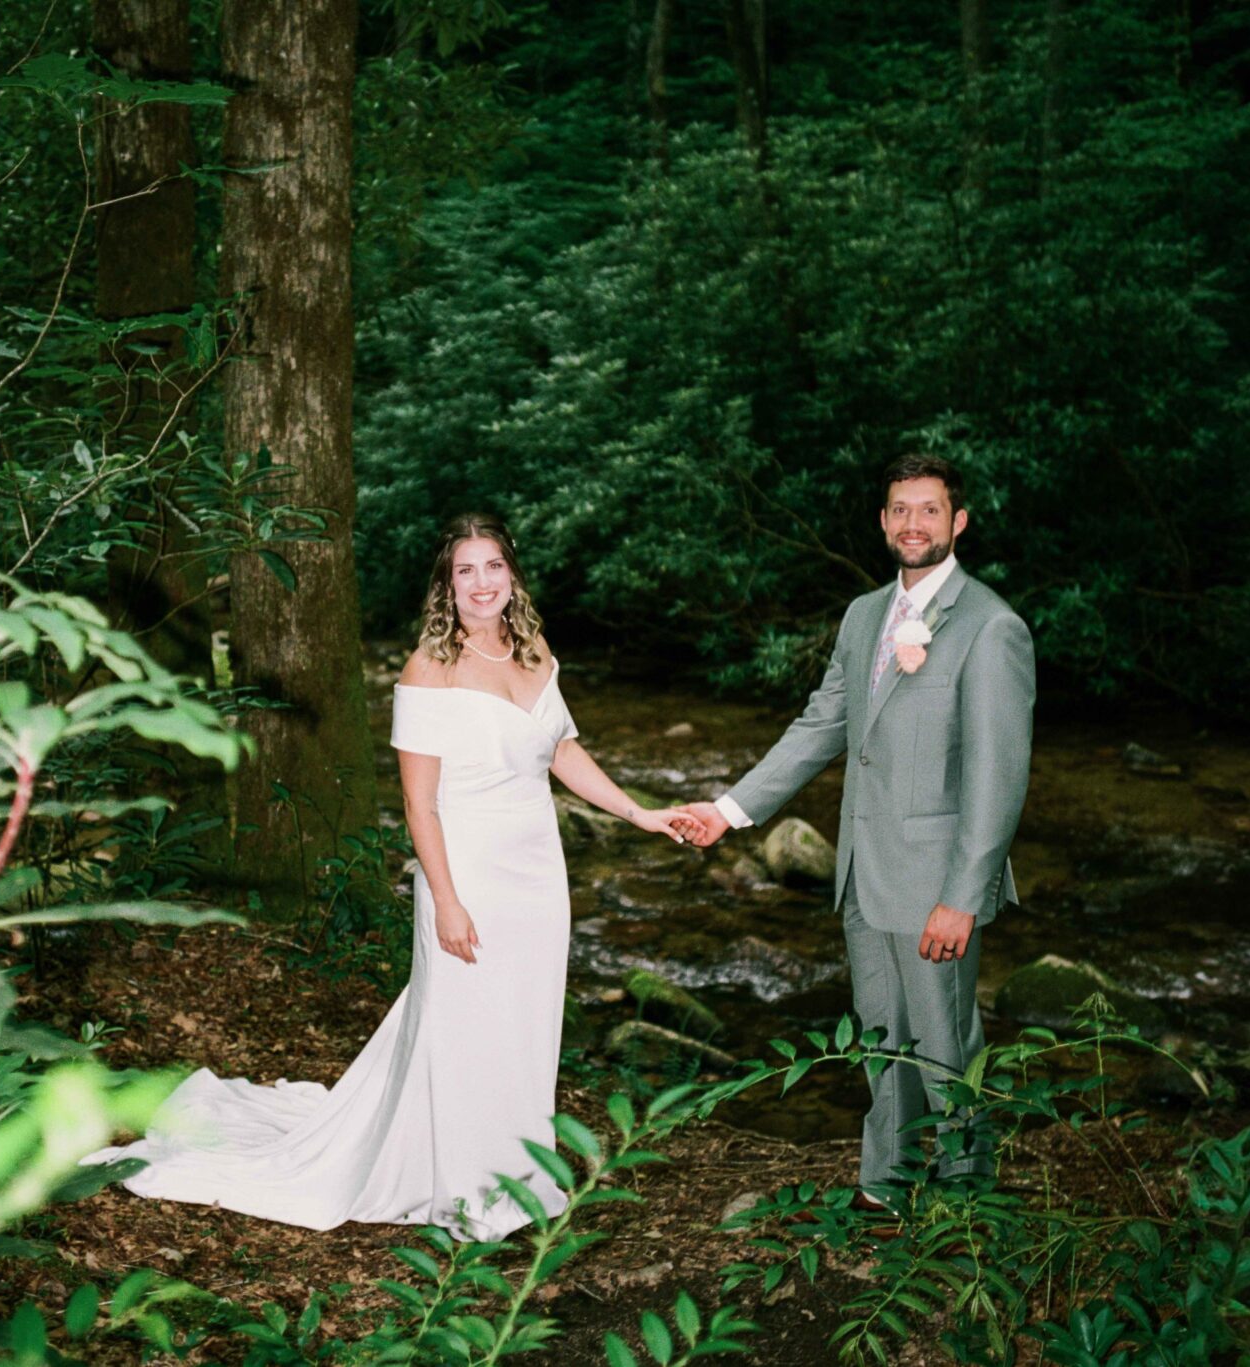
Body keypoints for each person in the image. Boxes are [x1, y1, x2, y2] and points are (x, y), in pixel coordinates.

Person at [84, 512, 702, 1241]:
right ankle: (472, 1191)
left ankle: (522, 1171)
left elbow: (562, 748)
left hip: (537, 871)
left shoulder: (534, 650)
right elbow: (417, 802)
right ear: (447, 583)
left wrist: (640, 813)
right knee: (467, 1026)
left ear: (513, 574)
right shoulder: (427, 669)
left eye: (493, 566)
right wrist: (444, 899)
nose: (481, 583)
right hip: (466, 872)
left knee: (524, 1027)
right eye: (465, 570)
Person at [682, 455, 1035, 1204]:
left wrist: (962, 896)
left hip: (938, 884)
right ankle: (889, 1186)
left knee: (947, 1046)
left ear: (958, 521)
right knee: (883, 1039)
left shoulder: (993, 627)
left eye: (930, 510)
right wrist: (730, 809)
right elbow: (822, 725)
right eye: (900, 509)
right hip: (861, 873)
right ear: (882, 521)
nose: (914, 523)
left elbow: (998, 779)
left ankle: (970, 1204)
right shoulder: (863, 615)